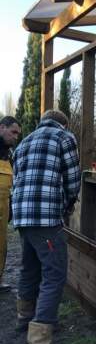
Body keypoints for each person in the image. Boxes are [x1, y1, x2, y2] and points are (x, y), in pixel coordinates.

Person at [12, 109, 81, 344]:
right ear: (63, 122)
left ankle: (25, 317)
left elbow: (19, 177)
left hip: (22, 217)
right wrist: (66, 205)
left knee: (29, 268)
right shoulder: (63, 137)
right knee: (54, 274)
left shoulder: (25, 141)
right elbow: (73, 180)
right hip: (45, 218)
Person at [0, 116, 21, 292]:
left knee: (2, 246)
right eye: (13, 132)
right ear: (1, 128)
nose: (15, 137)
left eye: (17, 134)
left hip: (3, 210)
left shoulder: (10, 155)